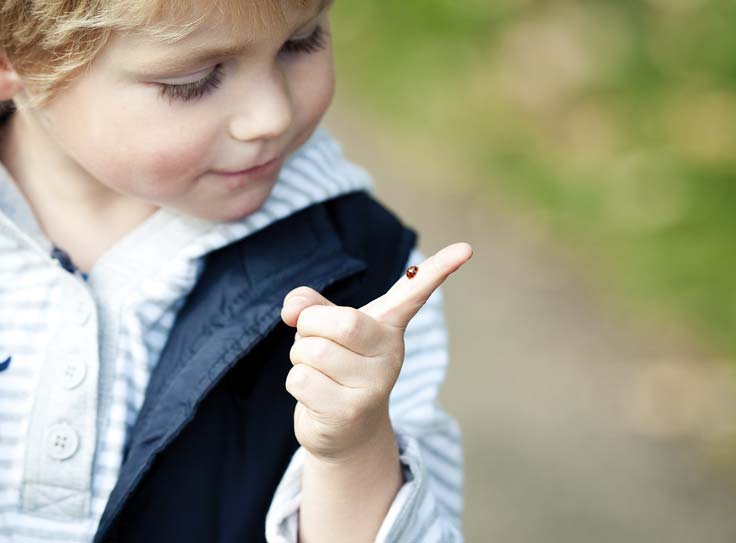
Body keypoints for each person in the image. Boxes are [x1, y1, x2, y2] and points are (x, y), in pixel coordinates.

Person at [0, 0, 472, 541]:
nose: (271, 115)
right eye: (193, 81)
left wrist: (354, 449)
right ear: (12, 59)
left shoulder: (366, 281)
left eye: (302, 42)